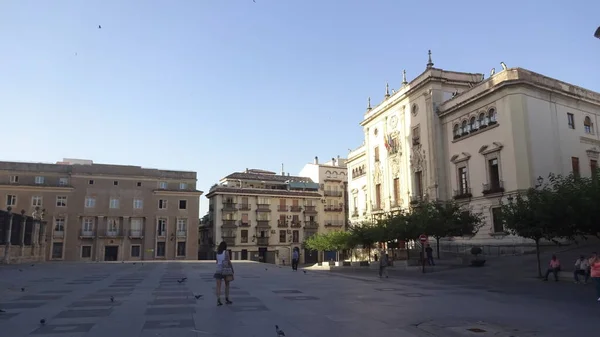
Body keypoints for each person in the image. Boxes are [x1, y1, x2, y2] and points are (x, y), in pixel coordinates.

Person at [214, 241, 234, 306]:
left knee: (218, 286)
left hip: (218, 270)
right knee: (227, 284)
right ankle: (226, 298)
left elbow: (217, 262)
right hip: (225, 270)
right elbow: (228, 261)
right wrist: (232, 269)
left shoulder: (217, 253)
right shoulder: (226, 252)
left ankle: (218, 300)